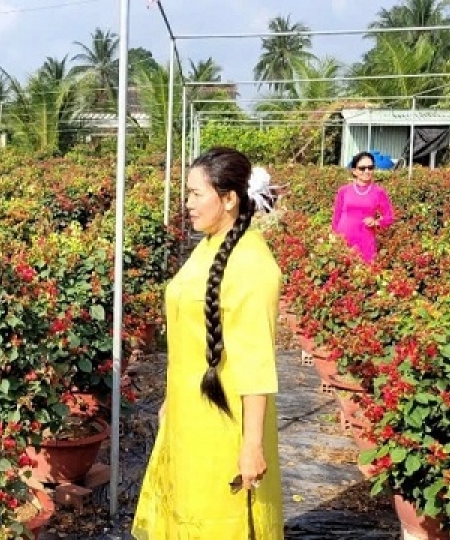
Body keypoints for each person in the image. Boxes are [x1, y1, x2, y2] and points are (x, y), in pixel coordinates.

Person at [133, 147, 284, 538]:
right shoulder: (207, 246)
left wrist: (251, 446)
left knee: (221, 518)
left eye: (196, 194)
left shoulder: (253, 265)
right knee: (186, 511)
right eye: (188, 193)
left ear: (229, 198)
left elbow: (255, 366)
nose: (188, 204)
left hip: (226, 422)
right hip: (190, 415)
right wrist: (172, 399)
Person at [331, 151, 395, 263]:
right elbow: (336, 218)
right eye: (362, 168)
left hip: (365, 242)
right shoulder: (344, 191)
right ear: (354, 171)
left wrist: (376, 222)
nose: (367, 171)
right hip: (343, 240)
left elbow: (389, 217)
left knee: (364, 275)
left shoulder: (379, 192)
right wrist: (334, 240)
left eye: (370, 168)